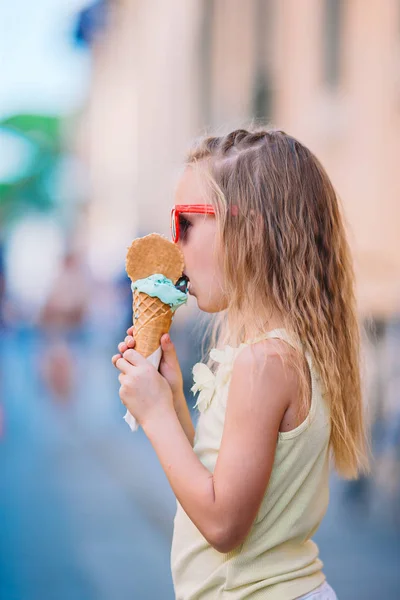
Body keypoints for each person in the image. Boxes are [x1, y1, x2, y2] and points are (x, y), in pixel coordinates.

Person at [112, 128, 369, 599]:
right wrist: (171, 403)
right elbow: (219, 484)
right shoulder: (280, 349)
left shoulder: (265, 362)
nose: (173, 245)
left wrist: (153, 417)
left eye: (185, 223)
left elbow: (224, 523)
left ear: (247, 228)